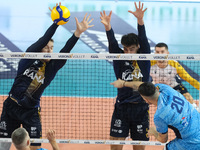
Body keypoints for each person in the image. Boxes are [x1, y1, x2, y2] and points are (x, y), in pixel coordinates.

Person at [0, 2, 94, 150]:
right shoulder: (27, 59)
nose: (49, 51)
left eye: (51, 48)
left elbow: (64, 52)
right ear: (39, 49)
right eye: (46, 47)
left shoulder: (51, 68)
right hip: (11, 107)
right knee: (3, 145)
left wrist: (77, 34)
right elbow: (43, 39)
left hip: (31, 112)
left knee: (35, 148)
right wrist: (55, 24)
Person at [100, 1, 150, 150]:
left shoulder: (144, 56)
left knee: (139, 148)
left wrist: (140, 20)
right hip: (121, 108)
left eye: (132, 49)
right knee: (115, 147)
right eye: (126, 49)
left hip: (141, 109)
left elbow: (143, 37)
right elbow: (112, 42)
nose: (128, 53)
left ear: (138, 48)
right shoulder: (119, 57)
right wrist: (108, 27)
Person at [110, 79, 200, 150]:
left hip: (191, 142)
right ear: (156, 88)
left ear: (146, 101)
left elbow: (163, 139)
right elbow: (143, 85)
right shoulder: (166, 88)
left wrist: (154, 132)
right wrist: (124, 83)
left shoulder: (160, 116)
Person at [150, 42, 200, 111]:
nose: (160, 54)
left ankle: (197, 110)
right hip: (158, 87)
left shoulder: (174, 64)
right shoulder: (149, 63)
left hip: (173, 86)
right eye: (158, 52)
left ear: (167, 53)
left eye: (162, 52)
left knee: (188, 98)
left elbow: (189, 79)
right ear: (155, 53)